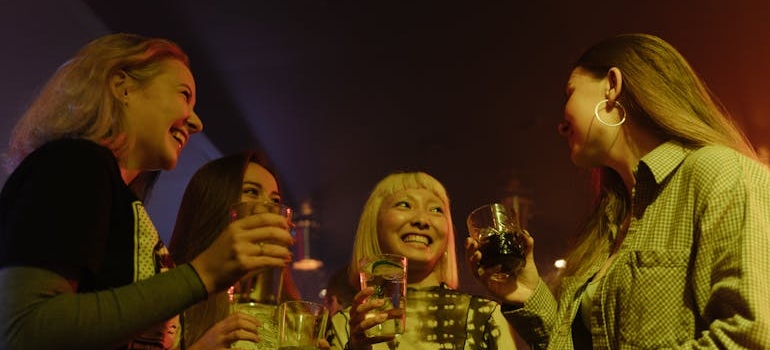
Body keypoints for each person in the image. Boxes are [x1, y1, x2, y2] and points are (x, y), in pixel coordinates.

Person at [467, 33, 770, 349]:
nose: (560, 124)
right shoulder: (610, 225)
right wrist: (525, 292)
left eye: (569, 93)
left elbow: (752, 335)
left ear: (612, 85)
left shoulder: (719, 172)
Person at [0, 33, 293, 349]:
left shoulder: (124, 201)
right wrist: (203, 274)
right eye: (184, 95)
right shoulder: (77, 161)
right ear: (122, 86)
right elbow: (23, 329)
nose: (196, 122)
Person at [328, 171, 518, 349]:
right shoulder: (343, 326)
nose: (422, 220)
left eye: (436, 209)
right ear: (374, 224)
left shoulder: (484, 316)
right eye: (404, 205)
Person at [168, 151, 305, 349]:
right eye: (251, 191)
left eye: (275, 200)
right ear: (215, 203)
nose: (268, 207)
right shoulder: (175, 293)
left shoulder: (290, 308)